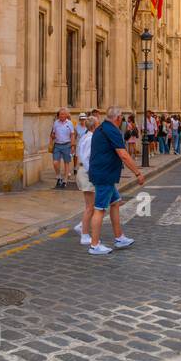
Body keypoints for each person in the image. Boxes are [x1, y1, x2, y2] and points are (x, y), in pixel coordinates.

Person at [86, 107, 144, 255]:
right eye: (121, 119)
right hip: (104, 175)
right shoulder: (112, 130)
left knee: (115, 202)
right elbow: (123, 154)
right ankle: (94, 245)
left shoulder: (102, 128)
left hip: (104, 174)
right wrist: (137, 173)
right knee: (99, 209)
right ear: (118, 118)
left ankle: (119, 238)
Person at [72, 111, 100, 246]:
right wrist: (92, 173)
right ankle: (84, 234)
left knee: (92, 206)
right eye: (98, 124)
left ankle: (81, 226)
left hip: (85, 172)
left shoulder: (87, 136)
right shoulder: (90, 138)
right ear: (94, 126)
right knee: (90, 207)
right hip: (87, 173)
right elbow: (86, 158)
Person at [49, 108, 76, 189]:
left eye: (63, 114)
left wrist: (72, 145)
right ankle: (58, 176)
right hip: (57, 145)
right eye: (60, 114)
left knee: (66, 163)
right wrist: (52, 139)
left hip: (67, 144)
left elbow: (72, 135)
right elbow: (52, 134)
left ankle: (65, 180)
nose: (62, 116)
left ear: (66, 115)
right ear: (59, 115)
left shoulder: (70, 123)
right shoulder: (56, 123)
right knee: (55, 162)